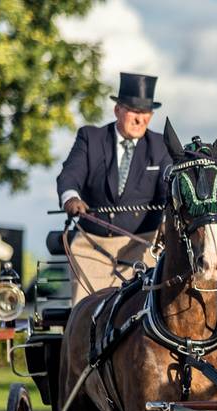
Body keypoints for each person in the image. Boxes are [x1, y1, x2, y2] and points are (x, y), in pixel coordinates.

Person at [56, 72, 172, 304]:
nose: (140, 119)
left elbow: (168, 185)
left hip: (142, 245)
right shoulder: (91, 138)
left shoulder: (160, 146)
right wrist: (71, 198)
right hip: (92, 245)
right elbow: (70, 174)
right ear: (117, 109)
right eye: (134, 112)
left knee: (142, 309)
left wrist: (169, 215)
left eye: (146, 113)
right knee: (86, 311)